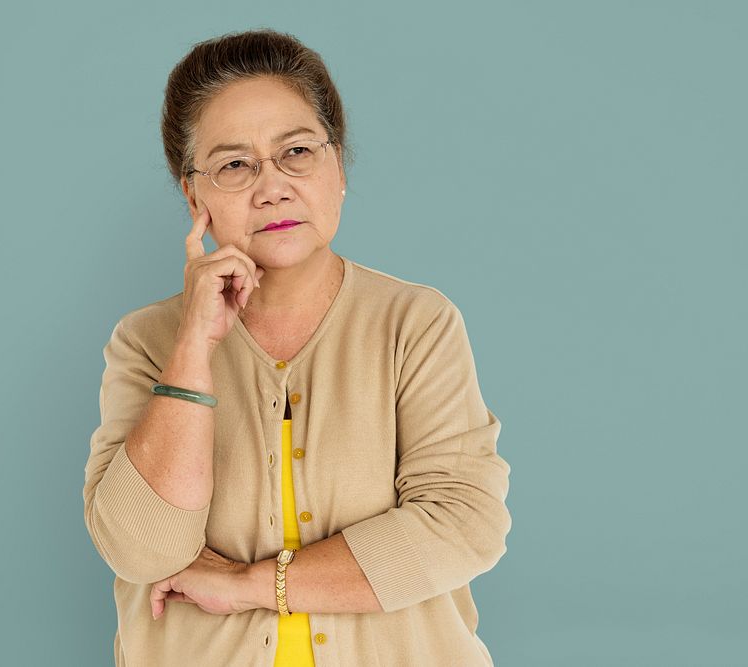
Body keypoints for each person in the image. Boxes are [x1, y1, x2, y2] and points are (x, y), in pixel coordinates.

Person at [84, 28, 512, 666]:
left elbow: (463, 526)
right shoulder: (147, 342)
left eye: (297, 152)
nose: (272, 187)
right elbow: (143, 549)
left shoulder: (415, 323)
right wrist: (194, 349)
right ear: (192, 193)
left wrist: (249, 585)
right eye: (235, 165)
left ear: (338, 166)